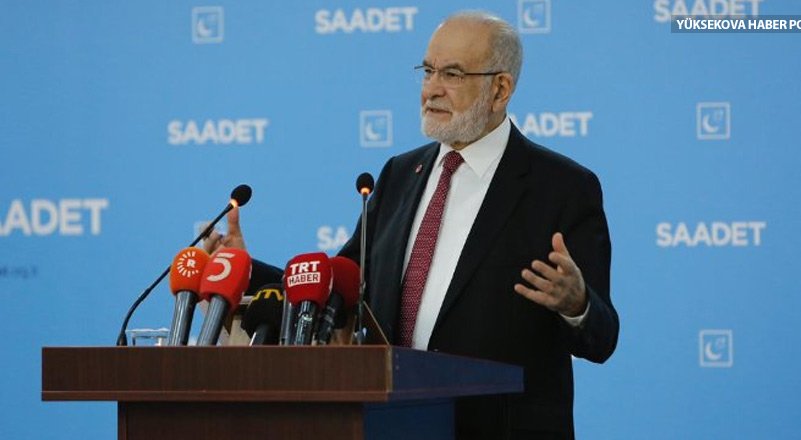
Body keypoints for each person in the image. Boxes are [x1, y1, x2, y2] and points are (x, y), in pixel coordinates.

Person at [206, 11, 618, 439]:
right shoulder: (399, 175)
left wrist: (577, 304)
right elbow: (342, 286)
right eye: (428, 71)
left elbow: (602, 338)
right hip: (392, 424)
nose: (431, 89)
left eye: (452, 74)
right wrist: (246, 271)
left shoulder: (562, 187)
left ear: (500, 89)